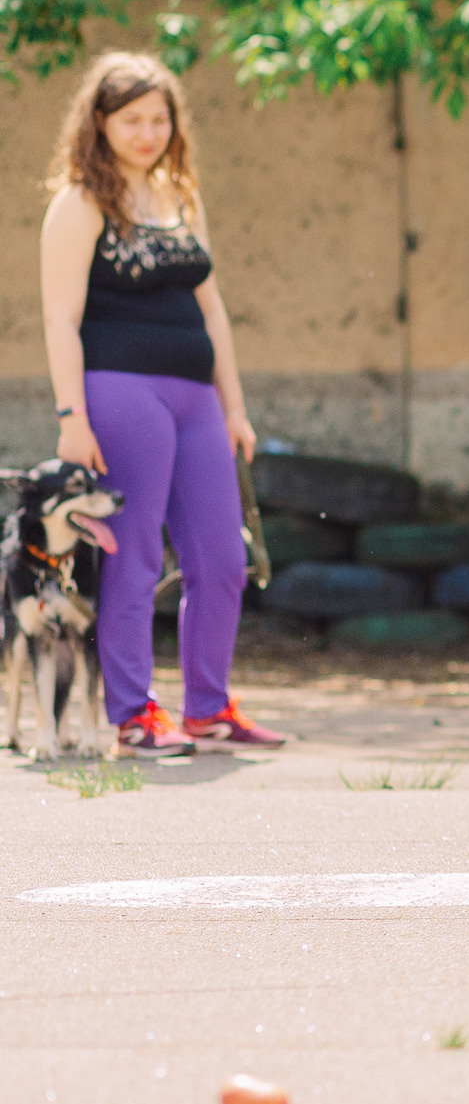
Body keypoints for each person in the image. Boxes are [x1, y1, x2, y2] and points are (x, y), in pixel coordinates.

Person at [39, 52, 287, 756]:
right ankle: (133, 714)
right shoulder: (79, 202)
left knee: (222, 557)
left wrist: (233, 406)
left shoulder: (181, 194)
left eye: (160, 118)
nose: (148, 132)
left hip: (196, 397)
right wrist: (71, 417)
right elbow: (60, 317)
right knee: (135, 554)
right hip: (119, 392)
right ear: (100, 122)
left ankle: (208, 706)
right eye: (131, 119)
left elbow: (211, 309)